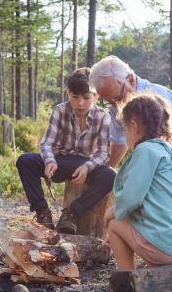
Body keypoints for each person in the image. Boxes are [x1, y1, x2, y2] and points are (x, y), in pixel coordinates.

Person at [102, 93, 172, 292]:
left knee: (114, 224)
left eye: (125, 130)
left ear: (134, 124)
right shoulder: (169, 152)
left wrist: (111, 212)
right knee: (125, 221)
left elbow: (130, 199)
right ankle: (144, 278)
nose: (125, 136)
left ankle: (125, 289)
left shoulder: (146, 151)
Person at [89, 56, 172, 191]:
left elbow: (171, 151)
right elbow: (118, 144)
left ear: (131, 79)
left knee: (161, 184)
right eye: (110, 102)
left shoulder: (158, 97)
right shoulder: (116, 105)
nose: (117, 105)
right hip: (167, 157)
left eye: (118, 98)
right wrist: (103, 173)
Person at [16, 67, 116, 234]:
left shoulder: (103, 117)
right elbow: (47, 143)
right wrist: (49, 161)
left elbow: (103, 153)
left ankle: (71, 213)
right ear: (68, 93)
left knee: (110, 176)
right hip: (59, 161)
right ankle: (42, 212)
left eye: (86, 97)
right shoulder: (59, 110)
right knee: (25, 160)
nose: (80, 103)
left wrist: (88, 167)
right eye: (75, 97)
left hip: (84, 165)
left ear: (96, 96)